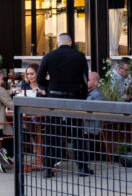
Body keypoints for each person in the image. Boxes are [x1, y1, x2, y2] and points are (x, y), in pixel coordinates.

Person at [37, 33, 92, 177]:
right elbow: (85, 80)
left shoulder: (49, 56)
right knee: (77, 134)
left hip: (54, 99)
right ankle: (82, 168)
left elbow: (39, 79)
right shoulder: (79, 56)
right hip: (74, 98)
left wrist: (50, 88)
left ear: (57, 43)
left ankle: (48, 169)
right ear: (71, 43)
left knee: (51, 134)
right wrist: (82, 96)